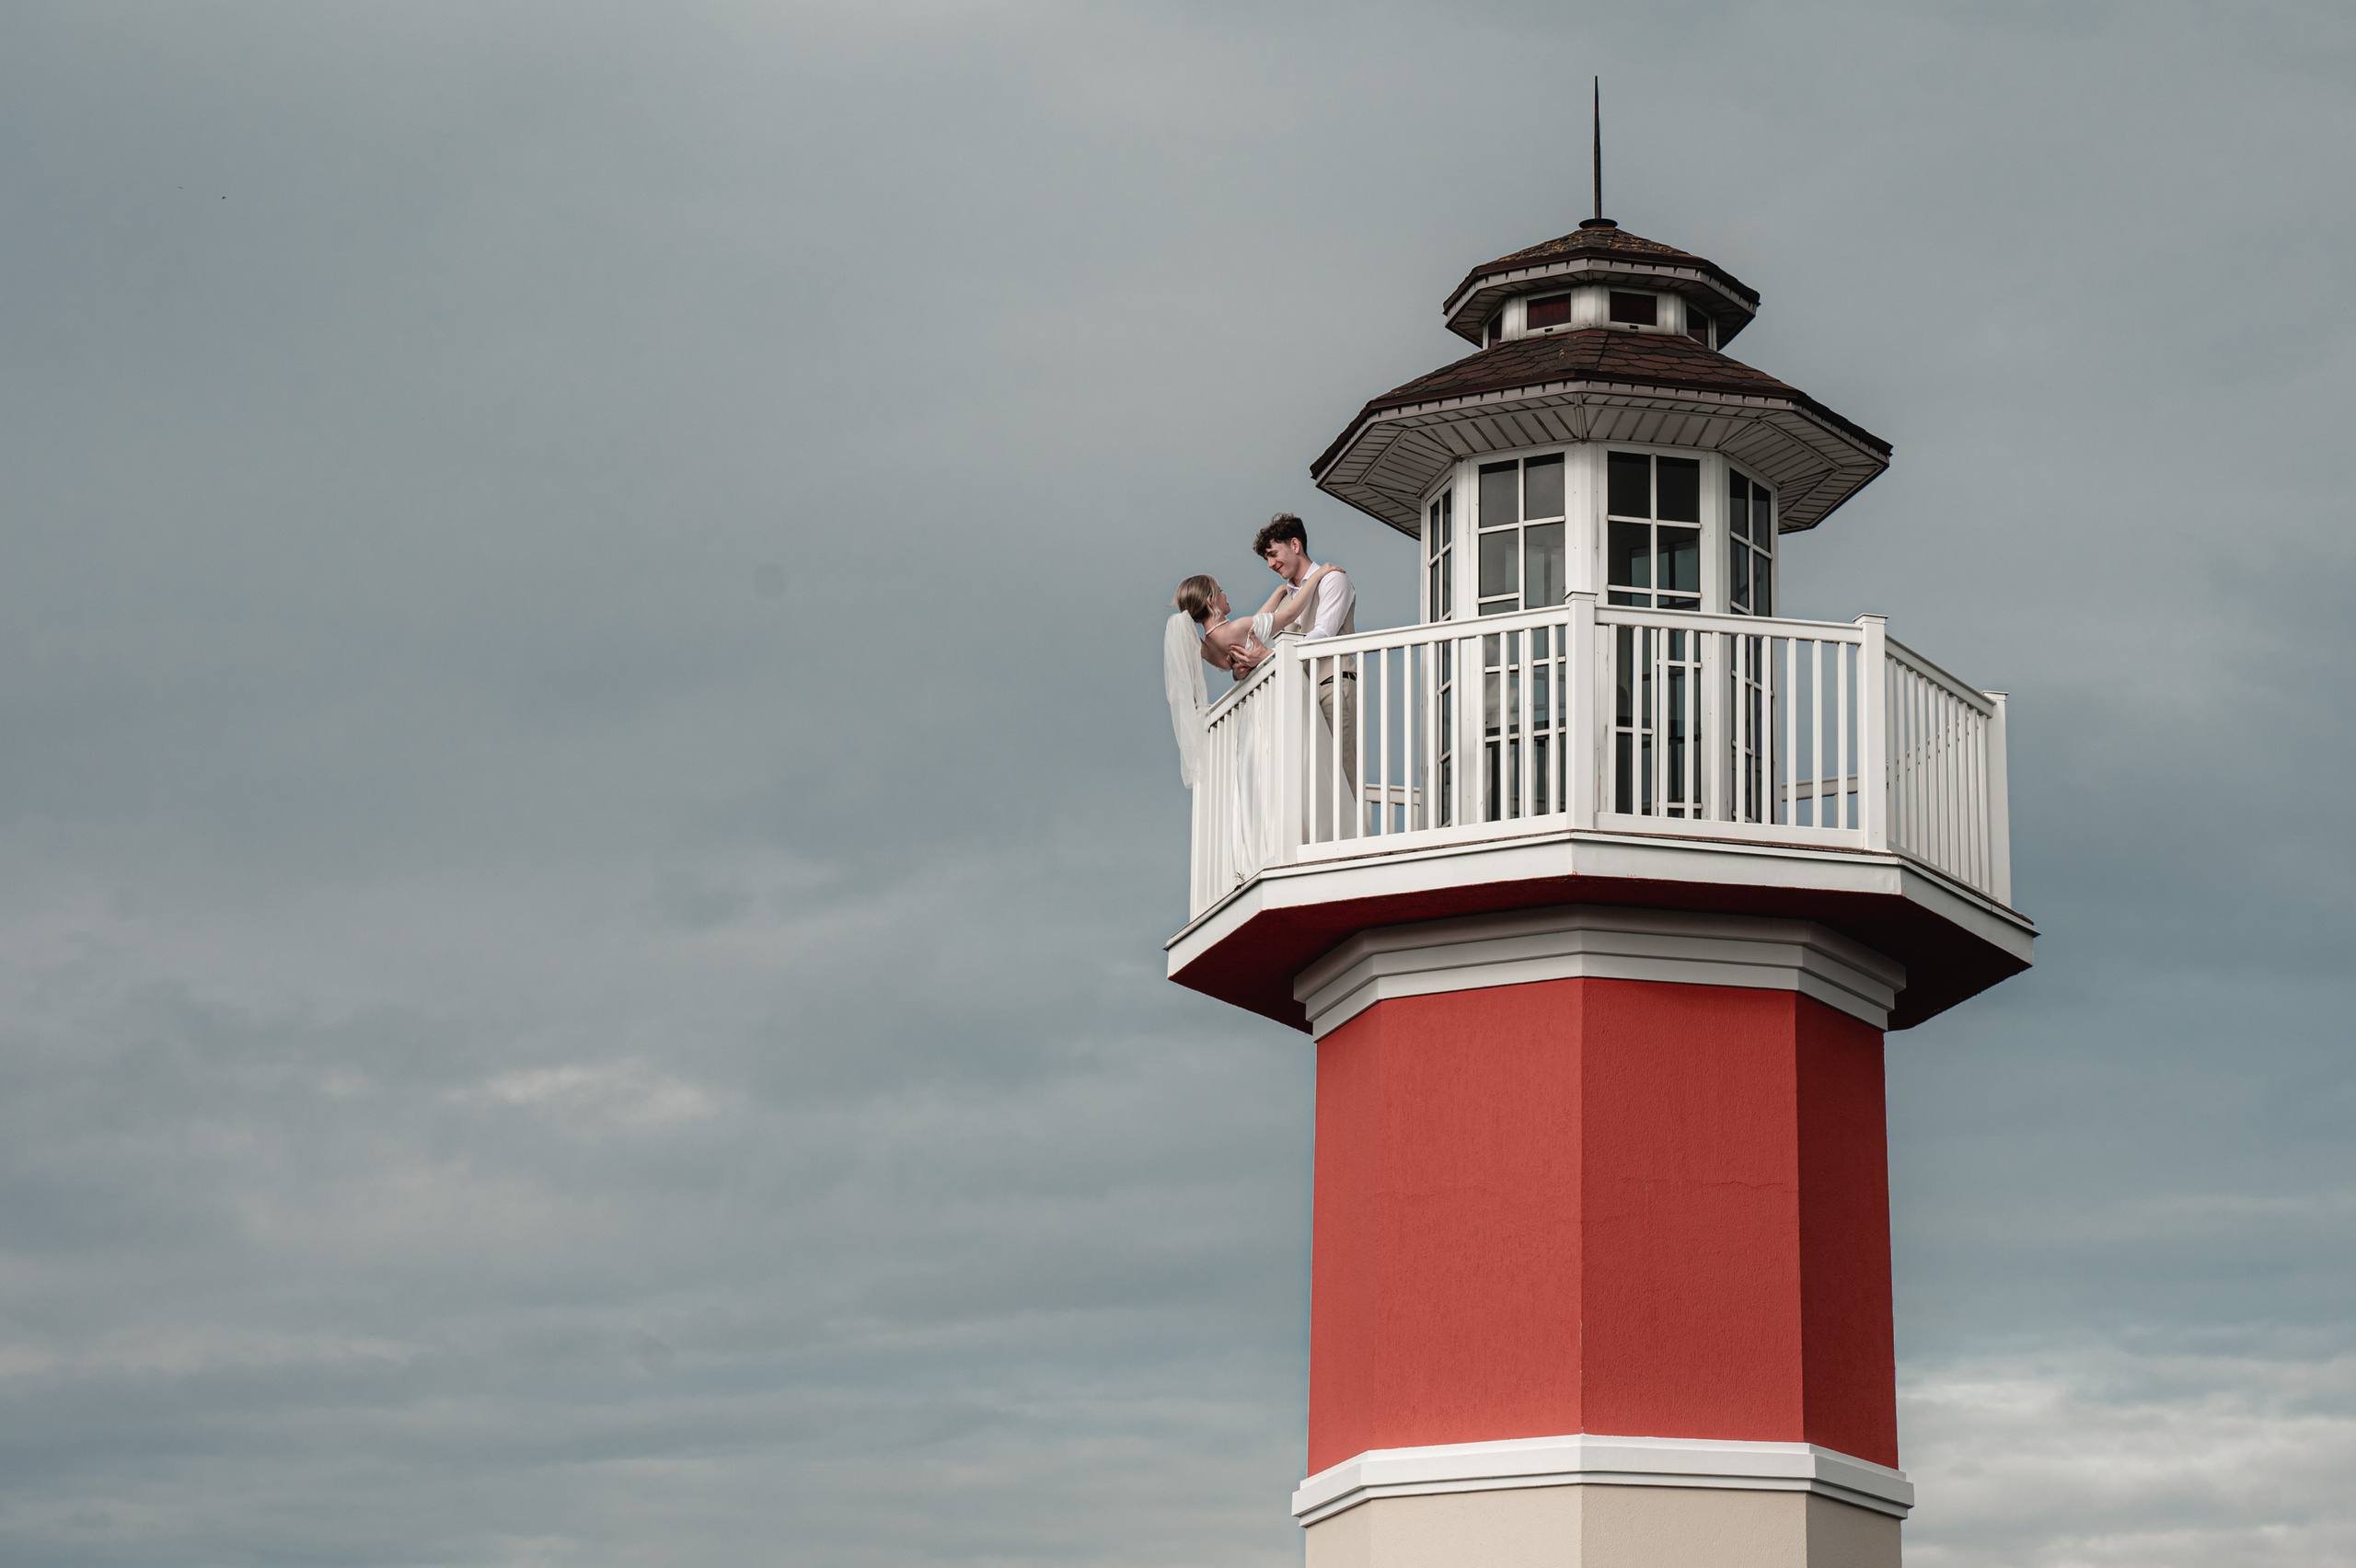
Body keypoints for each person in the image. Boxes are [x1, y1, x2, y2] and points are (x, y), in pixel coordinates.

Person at [1250, 514, 1357, 804]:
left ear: (1295, 544)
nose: (1271, 564)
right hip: (1298, 693)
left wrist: (1273, 656)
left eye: (1273, 554)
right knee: (1306, 773)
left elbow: (1323, 632)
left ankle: (1348, 846)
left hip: (1331, 682)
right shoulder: (1285, 599)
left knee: (1340, 767)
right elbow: (1254, 640)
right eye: (1267, 559)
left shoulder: (1333, 578)